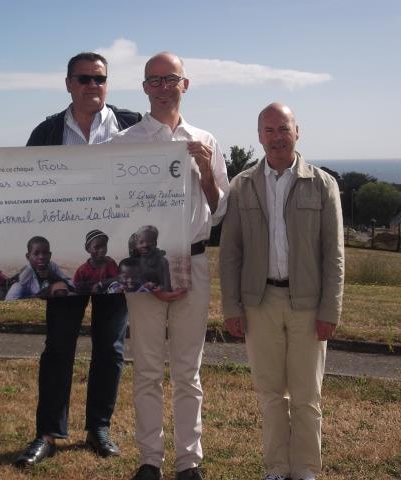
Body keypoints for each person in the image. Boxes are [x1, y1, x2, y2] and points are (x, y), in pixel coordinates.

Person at [15, 52, 141, 467]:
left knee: (111, 346)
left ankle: (98, 428)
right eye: (84, 79)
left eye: (100, 79)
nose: (93, 86)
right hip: (65, 263)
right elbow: (26, 190)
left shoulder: (132, 125)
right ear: (68, 83)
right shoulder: (48, 130)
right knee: (59, 347)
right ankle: (48, 432)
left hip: (115, 259)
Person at [111, 52, 230, 480]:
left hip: (195, 261)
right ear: (144, 88)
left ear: (185, 84)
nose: (163, 88)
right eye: (155, 81)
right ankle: (149, 460)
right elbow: (110, 206)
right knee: (145, 366)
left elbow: (219, 211)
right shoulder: (124, 143)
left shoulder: (206, 140)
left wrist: (204, 172)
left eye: (171, 79)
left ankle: (188, 461)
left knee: (187, 370)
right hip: (143, 267)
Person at [219, 102, 344, 480]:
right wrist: (232, 308)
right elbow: (230, 254)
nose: (276, 137)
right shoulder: (242, 185)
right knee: (270, 395)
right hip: (259, 304)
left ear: (297, 132)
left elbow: (334, 254)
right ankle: (276, 468)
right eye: (268, 130)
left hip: (307, 305)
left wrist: (330, 310)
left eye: (283, 129)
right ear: (259, 136)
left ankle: (305, 470)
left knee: (307, 397)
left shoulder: (322, 184)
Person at [5, 236, 73, 300]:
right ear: (28, 257)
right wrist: (41, 295)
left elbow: (71, 285)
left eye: (45, 253)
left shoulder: (52, 266)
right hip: (31, 305)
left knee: (61, 289)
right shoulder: (25, 274)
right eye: (36, 254)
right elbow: (10, 299)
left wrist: (53, 276)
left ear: (50, 255)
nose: (41, 257)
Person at [72, 229, 119, 294]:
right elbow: (75, 287)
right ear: (88, 249)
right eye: (97, 247)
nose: (102, 250)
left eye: (104, 246)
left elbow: (118, 278)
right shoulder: (82, 270)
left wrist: (101, 284)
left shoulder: (110, 263)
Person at [133, 225, 171, 292]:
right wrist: (144, 286)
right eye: (141, 242)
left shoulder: (162, 261)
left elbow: (167, 287)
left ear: (155, 243)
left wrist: (160, 288)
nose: (145, 245)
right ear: (136, 244)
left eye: (150, 242)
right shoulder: (133, 261)